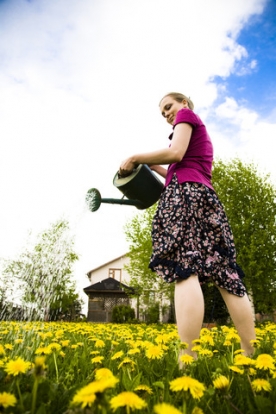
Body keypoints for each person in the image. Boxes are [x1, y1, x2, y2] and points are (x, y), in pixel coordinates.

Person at [119, 92, 256, 358]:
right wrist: (151, 165)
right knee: (225, 272)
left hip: (185, 195)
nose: (167, 114)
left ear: (183, 103)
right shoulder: (195, 135)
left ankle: (188, 359)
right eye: (163, 113)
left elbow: (176, 153)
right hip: (205, 197)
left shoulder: (186, 116)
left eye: (168, 107)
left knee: (185, 267)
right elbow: (176, 164)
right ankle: (252, 354)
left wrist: (136, 156)